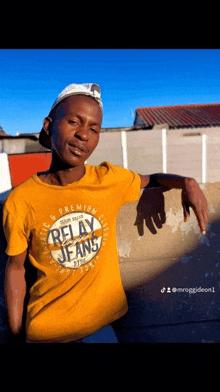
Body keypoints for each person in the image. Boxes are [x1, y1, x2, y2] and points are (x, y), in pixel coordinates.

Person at [3, 83, 208, 343]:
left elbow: (153, 179)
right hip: (47, 331)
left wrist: (186, 182)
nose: (83, 135)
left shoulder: (109, 179)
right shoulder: (21, 200)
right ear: (48, 125)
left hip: (99, 328)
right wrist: (14, 334)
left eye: (94, 128)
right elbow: (16, 269)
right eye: (74, 122)